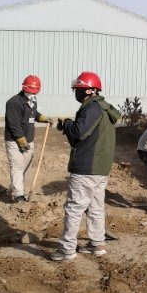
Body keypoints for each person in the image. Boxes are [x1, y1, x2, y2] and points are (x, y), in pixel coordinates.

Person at [50, 71, 121, 262]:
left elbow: (78, 133)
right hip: (100, 168)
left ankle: (67, 249)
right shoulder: (104, 108)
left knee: (74, 208)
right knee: (95, 207)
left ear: (91, 90)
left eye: (79, 89)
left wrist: (67, 124)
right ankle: (97, 244)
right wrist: (69, 125)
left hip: (86, 167)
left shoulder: (92, 108)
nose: (77, 92)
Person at [3, 75, 53, 202]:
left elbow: (33, 114)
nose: (32, 94)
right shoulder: (13, 103)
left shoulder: (33, 101)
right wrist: (21, 140)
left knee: (25, 168)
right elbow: (13, 124)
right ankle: (18, 195)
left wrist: (43, 118)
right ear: (24, 88)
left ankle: (16, 188)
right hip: (14, 141)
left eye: (35, 92)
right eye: (30, 91)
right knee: (17, 166)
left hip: (29, 140)